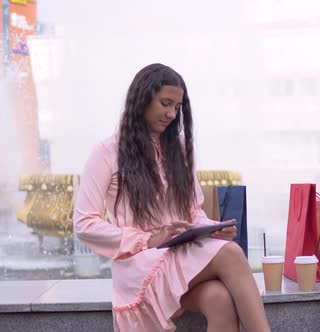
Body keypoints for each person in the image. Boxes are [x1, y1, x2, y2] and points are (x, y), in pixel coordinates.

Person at [74, 63, 271, 332]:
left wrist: (210, 230)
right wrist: (147, 239)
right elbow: (84, 224)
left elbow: (193, 211)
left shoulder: (176, 148)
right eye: (165, 103)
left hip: (177, 252)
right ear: (142, 99)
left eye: (177, 107)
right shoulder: (106, 152)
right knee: (232, 255)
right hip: (139, 262)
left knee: (219, 299)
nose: (171, 114)